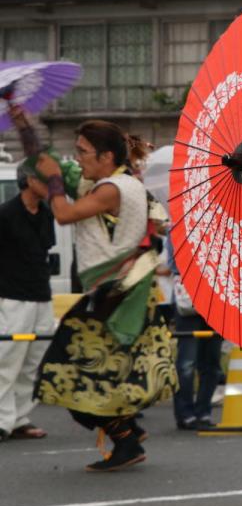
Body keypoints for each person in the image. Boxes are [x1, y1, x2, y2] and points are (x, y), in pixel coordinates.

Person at [22, 117, 176, 472]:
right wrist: (25, 127)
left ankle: (125, 439)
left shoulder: (112, 189)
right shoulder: (118, 183)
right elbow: (51, 176)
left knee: (67, 373)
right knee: (103, 373)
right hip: (117, 292)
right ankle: (128, 430)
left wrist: (55, 180)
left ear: (106, 156)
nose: (78, 159)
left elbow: (63, 214)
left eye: (83, 152)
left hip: (115, 296)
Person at [0, 165, 55, 442]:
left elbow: (46, 248)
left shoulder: (46, 212)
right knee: (7, 358)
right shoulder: (6, 213)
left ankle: (19, 417)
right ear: (30, 180)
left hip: (41, 293)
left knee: (34, 360)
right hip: (12, 294)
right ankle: (2, 419)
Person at [166, 237, 222, 430]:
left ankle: (203, 412)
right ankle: (185, 414)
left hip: (216, 299)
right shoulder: (179, 225)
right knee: (186, 363)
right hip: (189, 299)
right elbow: (174, 264)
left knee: (211, 362)